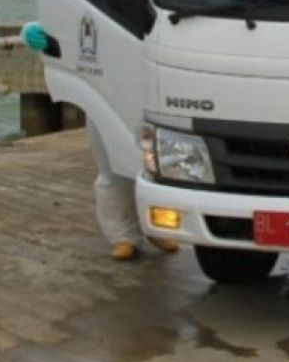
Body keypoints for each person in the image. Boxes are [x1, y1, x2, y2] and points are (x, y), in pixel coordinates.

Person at [20, 21, 180, 260]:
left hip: (146, 91)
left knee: (151, 166)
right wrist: (32, 32)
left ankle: (154, 228)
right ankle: (123, 236)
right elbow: (60, 15)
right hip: (103, 92)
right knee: (110, 168)